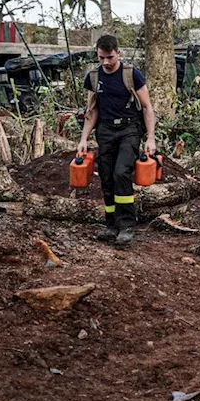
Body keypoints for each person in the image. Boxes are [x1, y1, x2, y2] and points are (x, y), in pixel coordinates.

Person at [77, 34, 156, 246]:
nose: (106, 62)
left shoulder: (132, 74)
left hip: (129, 129)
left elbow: (147, 107)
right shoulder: (93, 77)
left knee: (122, 173)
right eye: (101, 57)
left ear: (118, 53)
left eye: (110, 57)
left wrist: (150, 138)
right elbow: (91, 111)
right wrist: (83, 139)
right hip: (105, 130)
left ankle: (127, 226)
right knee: (106, 176)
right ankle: (111, 224)